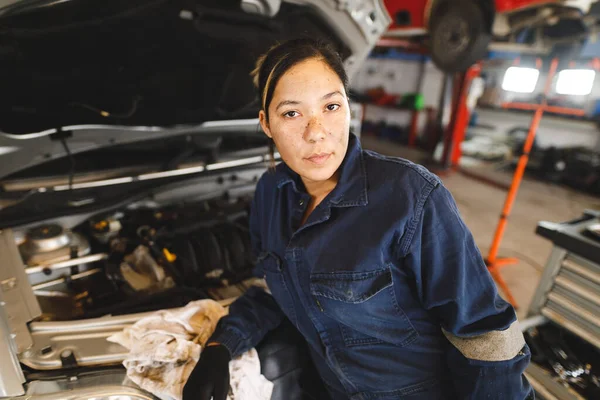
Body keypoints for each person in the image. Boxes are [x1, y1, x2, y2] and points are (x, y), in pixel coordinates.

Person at [183, 38, 533, 400]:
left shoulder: (410, 196)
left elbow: (485, 335)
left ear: (350, 107)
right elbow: (274, 288)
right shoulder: (271, 193)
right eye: (291, 113)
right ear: (266, 124)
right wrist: (222, 346)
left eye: (331, 106)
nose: (316, 132)